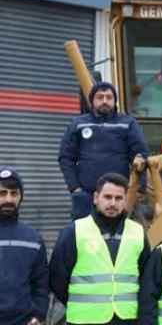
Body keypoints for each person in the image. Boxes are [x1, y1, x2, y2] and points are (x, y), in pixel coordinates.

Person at [49, 172, 151, 325]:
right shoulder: (75, 231)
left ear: (126, 200)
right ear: (95, 198)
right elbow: (57, 278)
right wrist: (82, 303)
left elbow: (146, 279)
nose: (112, 203)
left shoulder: (137, 233)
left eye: (118, 198)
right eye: (107, 197)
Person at [57, 81, 147, 220]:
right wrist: (75, 188)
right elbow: (65, 157)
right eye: (100, 97)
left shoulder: (128, 123)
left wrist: (140, 188)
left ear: (115, 101)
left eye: (109, 97)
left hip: (117, 197)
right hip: (85, 196)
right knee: (81, 238)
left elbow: (141, 156)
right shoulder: (78, 123)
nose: (105, 101)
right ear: (92, 101)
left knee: (118, 237)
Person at [0, 167, 48, 325]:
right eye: (2, 193)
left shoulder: (32, 238)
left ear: (21, 197)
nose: (8, 199)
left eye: (13, 193)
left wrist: (37, 316)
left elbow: (41, 282)